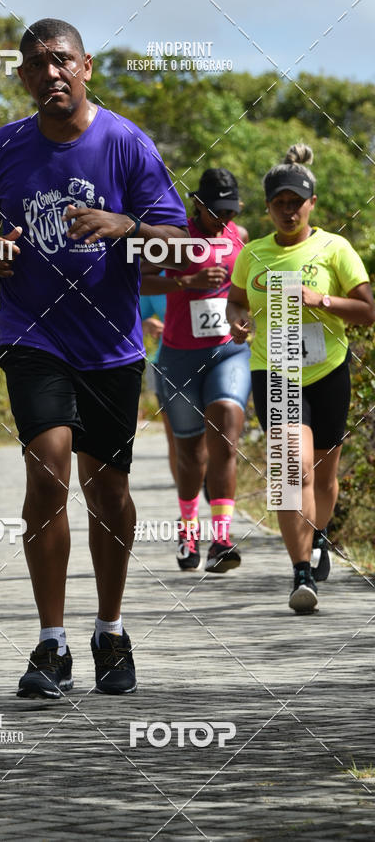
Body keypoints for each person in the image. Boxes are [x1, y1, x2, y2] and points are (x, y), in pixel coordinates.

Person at [0, 18, 189, 698]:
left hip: (110, 344)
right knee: (47, 469)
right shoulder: (1, 149)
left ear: (85, 66)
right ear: (22, 76)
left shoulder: (125, 142)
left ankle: (110, 631)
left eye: (60, 59)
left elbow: (179, 243)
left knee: (108, 491)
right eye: (35, 63)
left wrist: (128, 225)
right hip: (33, 336)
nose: (49, 72)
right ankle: (51, 643)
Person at [227, 144, 375, 612]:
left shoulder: (335, 248)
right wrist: (237, 320)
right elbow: (236, 301)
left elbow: (368, 311)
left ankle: (320, 533)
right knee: (291, 468)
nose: (289, 211)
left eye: (297, 202)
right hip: (274, 369)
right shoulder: (252, 254)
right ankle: (301, 570)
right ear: (268, 207)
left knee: (324, 478)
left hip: (327, 371)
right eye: (280, 203)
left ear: (312, 203)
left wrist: (321, 300)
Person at [142, 168, 251, 572]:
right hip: (179, 357)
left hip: (229, 352)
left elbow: (246, 294)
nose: (223, 219)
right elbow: (139, 281)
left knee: (226, 437)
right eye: (215, 211)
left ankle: (221, 539)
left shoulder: (241, 238)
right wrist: (187, 280)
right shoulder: (175, 238)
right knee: (190, 453)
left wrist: (245, 319)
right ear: (198, 205)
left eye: (230, 211)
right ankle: (188, 530)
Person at [140, 285, 178, 486]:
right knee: (176, 436)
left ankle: (212, 488)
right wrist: (145, 323)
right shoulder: (156, 275)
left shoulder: (216, 269)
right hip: (166, 362)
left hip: (213, 359)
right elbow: (130, 317)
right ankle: (187, 500)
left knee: (212, 430)